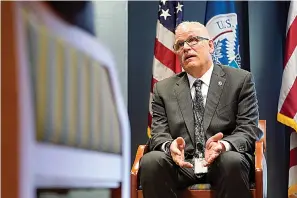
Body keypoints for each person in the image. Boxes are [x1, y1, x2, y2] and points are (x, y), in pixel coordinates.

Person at [139, 21, 263, 198]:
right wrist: (169, 146)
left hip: (223, 161)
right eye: (180, 45)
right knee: (151, 161)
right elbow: (159, 133)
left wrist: (223, 145)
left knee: (231, 160)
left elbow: (248, 129)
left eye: (193, 40)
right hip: (183, 164)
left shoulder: (240, 80)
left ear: (211, 45)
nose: (186, 48)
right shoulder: (163, 89)